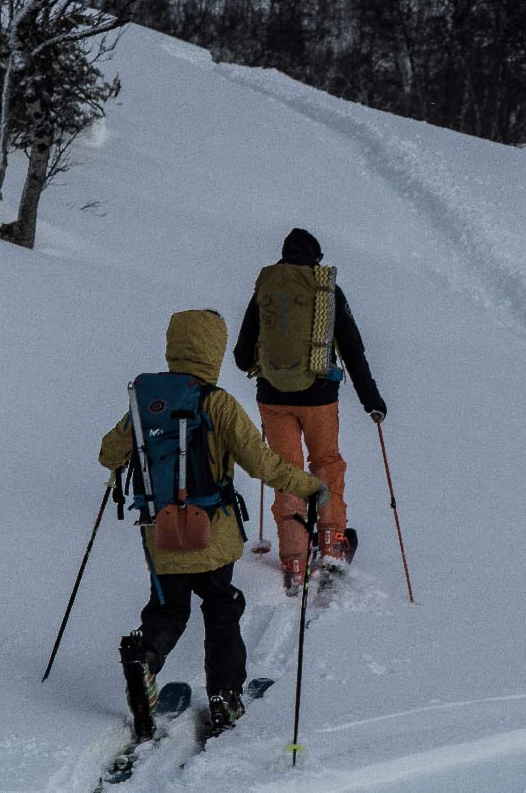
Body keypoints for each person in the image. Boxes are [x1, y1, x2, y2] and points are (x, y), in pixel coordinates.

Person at [100, 308, 324, 732]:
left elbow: (109, 453)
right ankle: (225, 695)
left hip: (160, 536)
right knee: (222, 607)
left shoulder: (146, 401)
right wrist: (308, 486)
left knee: (168, 609)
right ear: (214, 349)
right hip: (212, 535)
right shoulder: (216, 403)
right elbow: (262, 464)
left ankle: (145, 660)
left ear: (174, 346)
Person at [234, 227, 387, 592]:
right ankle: (332, 542)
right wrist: (372, 401)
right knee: (325, 464)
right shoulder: (326, 291)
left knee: (286, 471)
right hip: (320, 396)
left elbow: (242, 357)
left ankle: (293, 558)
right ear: (315, 258)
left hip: (272, 397)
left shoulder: (265, 290)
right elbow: (353, 350)